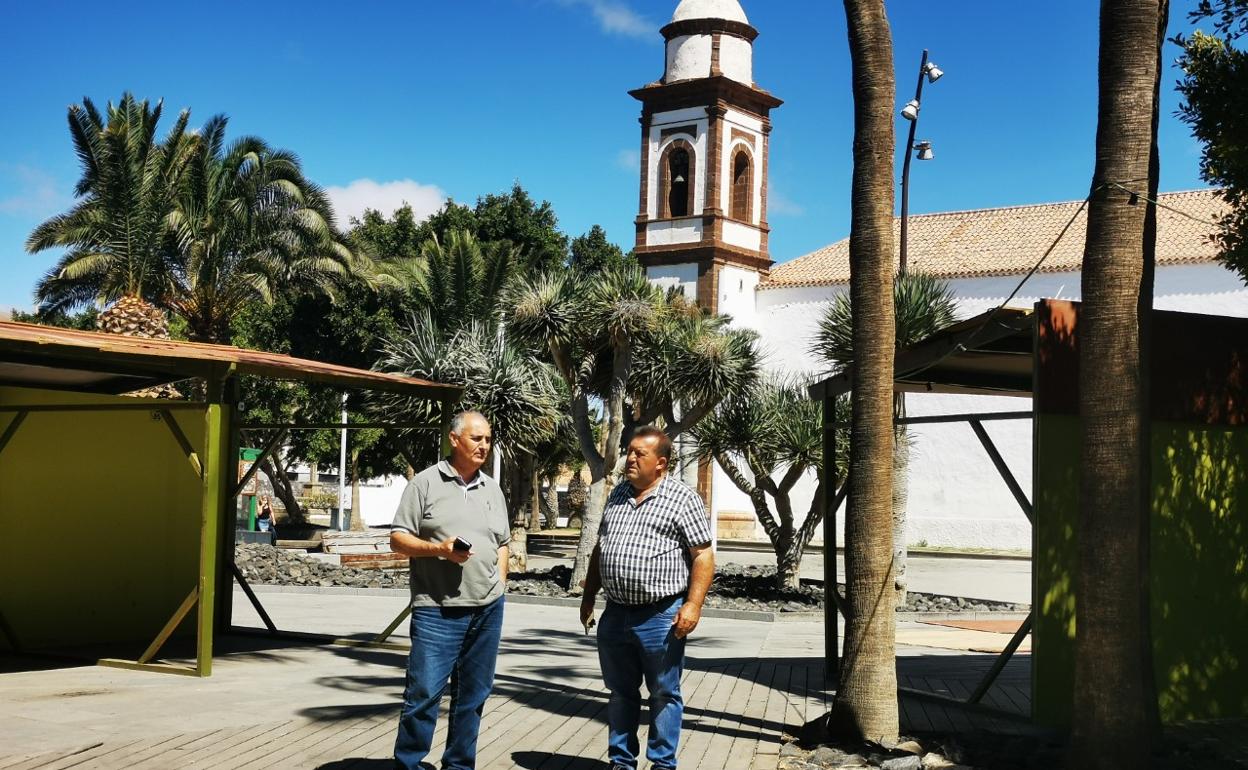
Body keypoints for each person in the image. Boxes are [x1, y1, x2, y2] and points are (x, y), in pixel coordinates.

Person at [579, 426, 715, 770]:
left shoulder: (683, 499)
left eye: (640, 453)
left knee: (664, 693)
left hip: (660, 616)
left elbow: (702, 555)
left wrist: (693, 604)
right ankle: (621, 762)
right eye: (630, 451)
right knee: (620, 693)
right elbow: (601, 548)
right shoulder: (619, 493)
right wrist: (589, 594)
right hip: (615, 614)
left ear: (661, 463)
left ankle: (662, 764)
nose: (631, 458)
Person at [390, 410, 510, 770]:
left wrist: (499, 583)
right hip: (436, 609)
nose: (484, 446)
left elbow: (502, 541)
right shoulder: (425, 483)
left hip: (487, 608)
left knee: (472, 696)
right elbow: (397, 538)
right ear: (454, 439)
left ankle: (459, 765)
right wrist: (439, 550)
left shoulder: (492, 488)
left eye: (488, 440)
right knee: (424, 694)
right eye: (477, 439)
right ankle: (408, 764)